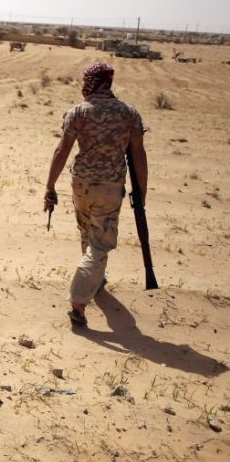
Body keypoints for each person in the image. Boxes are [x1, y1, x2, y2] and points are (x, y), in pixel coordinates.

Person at [44, 61, 148, 327]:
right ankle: (79, 302)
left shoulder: (78, 112)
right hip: (109, 187)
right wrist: (142, 191)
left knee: (87, 232)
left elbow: (61, 151)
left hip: (81, 184)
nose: (83, 86)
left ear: (94, 82)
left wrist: (50, 185)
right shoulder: (129, 113)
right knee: (99, 243)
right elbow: (139, 155)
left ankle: (94, 279)